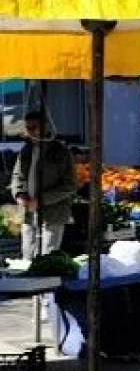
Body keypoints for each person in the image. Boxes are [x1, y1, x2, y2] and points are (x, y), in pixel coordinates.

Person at [9, 111, 77, 260]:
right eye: (27, 128)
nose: (30, 131)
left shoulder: (60, 151)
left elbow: (70, 185)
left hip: (53, 214)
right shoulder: (26, 151)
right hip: (28, 214)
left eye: (34, 127)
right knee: (28, 256)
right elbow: (17, 177)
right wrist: (19, 195)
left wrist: (41, 201)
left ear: (45, 127)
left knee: (47, 257)